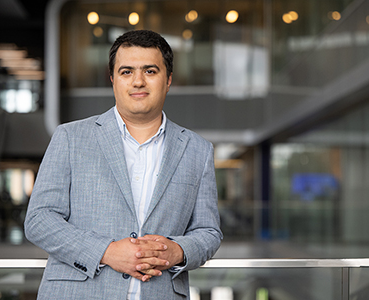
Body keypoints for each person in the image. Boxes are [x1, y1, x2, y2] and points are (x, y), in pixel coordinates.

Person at [24, 29, 222, 300]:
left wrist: (178, 251)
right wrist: (106, 251)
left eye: (150, 71)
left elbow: (208, 231)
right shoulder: (70, 137)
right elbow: (39, 220)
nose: (138, 81)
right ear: (113, 79)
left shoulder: (197, 150)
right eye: (127, 71)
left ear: (168, 80)